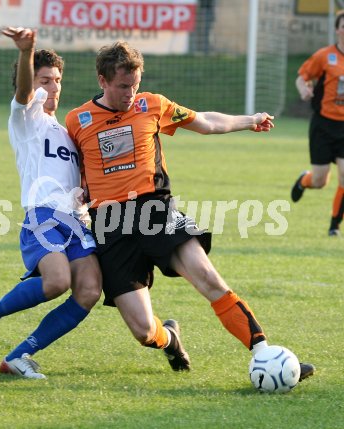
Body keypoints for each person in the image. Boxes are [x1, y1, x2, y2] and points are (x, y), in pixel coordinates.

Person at [65, 40, 315, 380]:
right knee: (142, 331)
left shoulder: (152, 104)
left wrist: (250, 120)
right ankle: (169, 339)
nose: (130, 94)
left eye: (134, 85)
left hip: (154, 210)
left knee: (208, 278)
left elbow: (205, 121)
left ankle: (266, 352)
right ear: (102, 81)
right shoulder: (77, 121)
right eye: (123, 86)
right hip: (109, 224)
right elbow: (70, 168)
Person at [0, 27, 102, 379]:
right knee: (56, 281)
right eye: (45, 80)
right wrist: (26, 52)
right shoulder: (25, 120)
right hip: (43, 217)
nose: (54, 87)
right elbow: (22, 92)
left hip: (76, 221)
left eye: (57, 80)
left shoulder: (67, 133)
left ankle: (19, 356)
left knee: (90, 290)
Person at [290, 11, 344, 237]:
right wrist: (304, 90)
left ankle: (334, 225)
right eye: (343, 26)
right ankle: (305, 180)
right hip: (323, 125)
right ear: (337, 29)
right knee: (320, 180)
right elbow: (302, 77)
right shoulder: (325, 56)